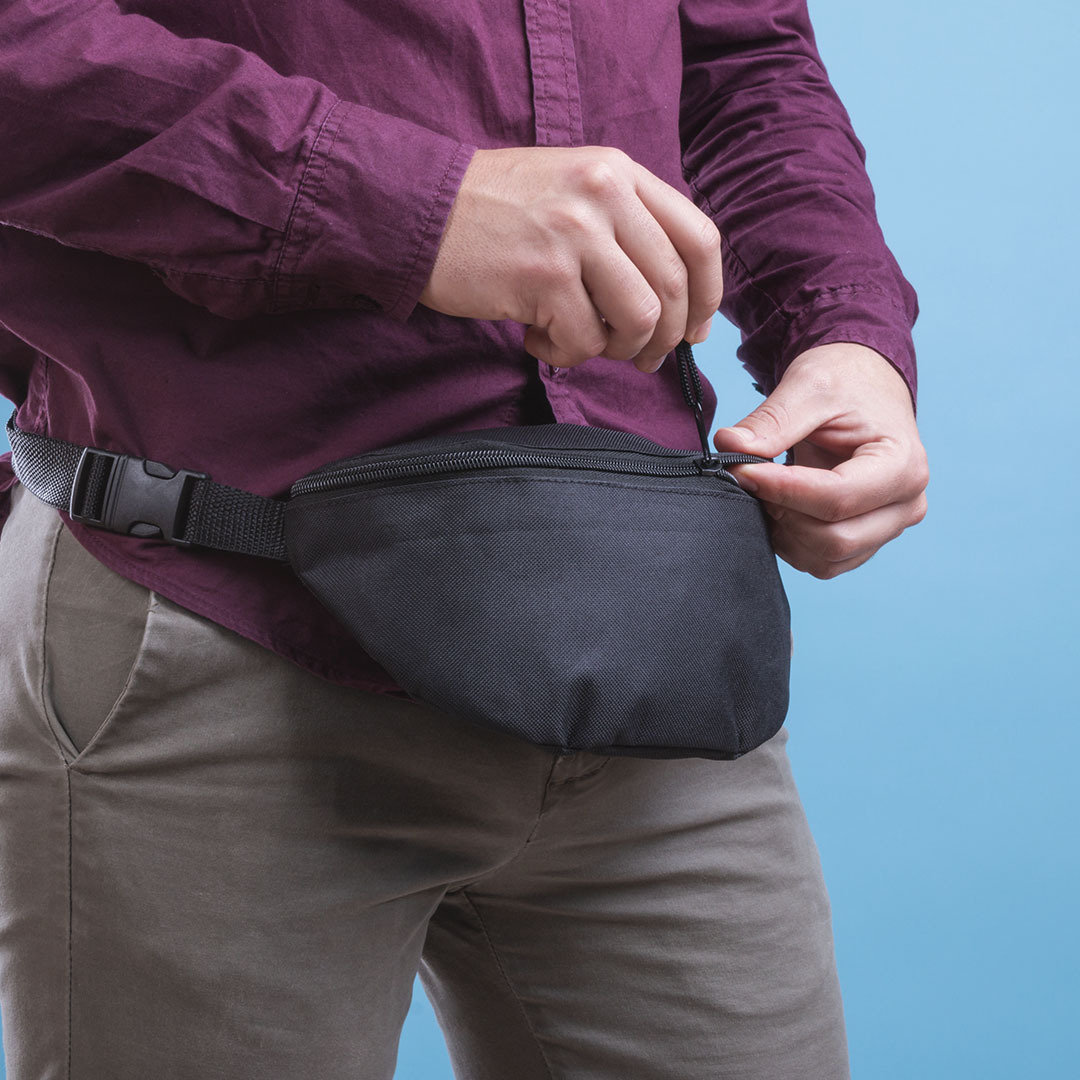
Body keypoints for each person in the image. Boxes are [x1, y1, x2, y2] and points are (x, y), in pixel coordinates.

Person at [0, 0, 927, 1077]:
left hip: (646, 652)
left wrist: (842, 333)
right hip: (215, 617)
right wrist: (410, 203)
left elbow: (743, 53)